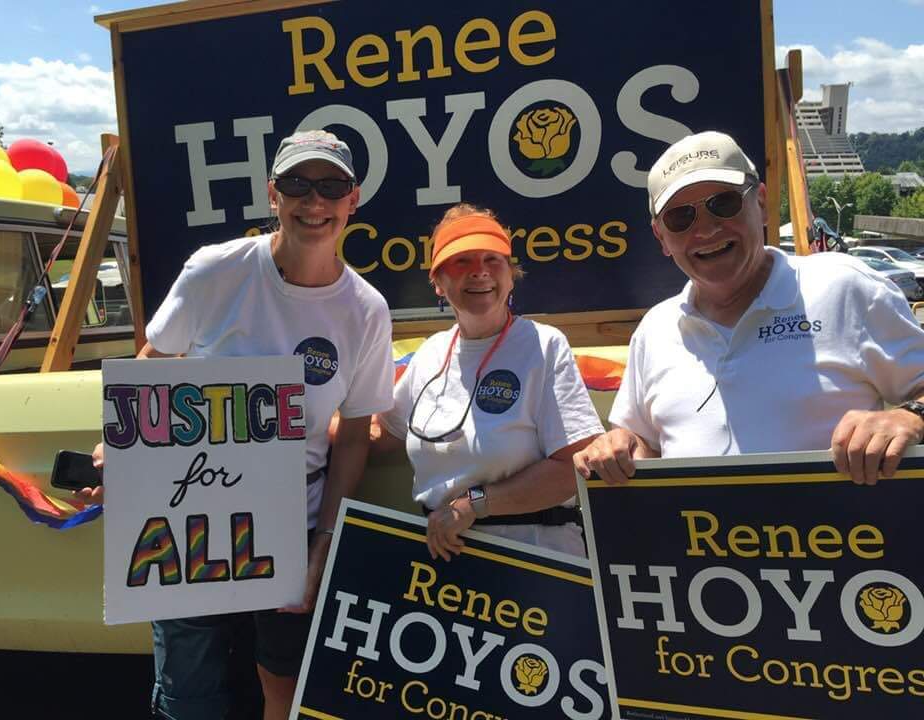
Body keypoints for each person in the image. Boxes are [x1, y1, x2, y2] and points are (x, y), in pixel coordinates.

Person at [89, 130, 394, 719]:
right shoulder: (215, 270)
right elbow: (153, 365)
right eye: (297, 185)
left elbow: (355, 436)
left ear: (352, 199)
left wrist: (323, 546)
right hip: (186, 521)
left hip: (292, 525)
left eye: (331, 186)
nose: (314, 201)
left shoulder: (366, 310)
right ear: (272, 194)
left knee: (286, 689)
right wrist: (119, 443)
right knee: (188, 695)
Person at [574, 130, 924, 486]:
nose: (706, 229)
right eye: (681, 218)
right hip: (698, 525)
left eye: (723, 203)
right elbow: (644, 446)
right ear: (661, 237)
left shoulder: (845, 288)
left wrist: (911, 416)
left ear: (761, 203)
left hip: (841, 525)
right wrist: (621, 447)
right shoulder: (655, 330)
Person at [374, 204, 604, 559]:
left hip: (536, 560)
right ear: (438, 282)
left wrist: (475, 504)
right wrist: (311, 431)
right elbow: (380, 435)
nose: (479, 272)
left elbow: (575, 467)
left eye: (492, 259)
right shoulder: (430, 355)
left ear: (511, 275)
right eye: (461, 261)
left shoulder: (544, 346)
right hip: (447, 563)